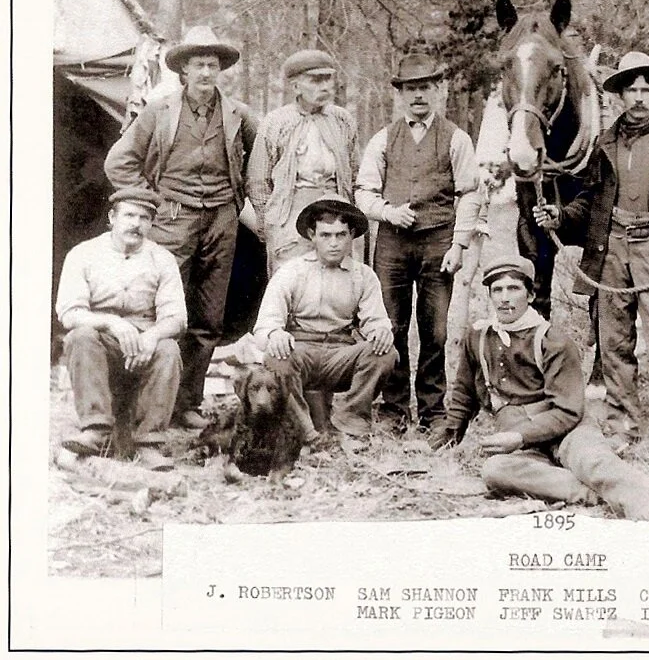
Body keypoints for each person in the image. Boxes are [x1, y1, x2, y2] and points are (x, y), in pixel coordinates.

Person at [534, 51, 649, 452]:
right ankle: (621, 427)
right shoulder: (605, 144)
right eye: (631, 89)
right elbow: (590, 201)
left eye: (647, 89)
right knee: (613, 343)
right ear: (619, 96)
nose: (639, 97)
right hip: (610, 249)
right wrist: (559, 216)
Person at [429, 256, 649, 519]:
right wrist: (446, 440)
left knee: (593, 460)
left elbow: (569, 411)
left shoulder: (552, 340)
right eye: (497, 290)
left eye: (514, 289)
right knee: (495, 471)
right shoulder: (478, 337)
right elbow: (464, 395)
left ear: (531, 295)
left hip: (567, 430)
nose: (505, 298)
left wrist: (521, 436)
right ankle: (587, 493)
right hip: (520, 442)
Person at [104, 26, 258, 430]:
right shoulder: (160, 111)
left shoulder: (238, 114)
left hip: (222, 218)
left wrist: (244, 201)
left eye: (213, 65)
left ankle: (188, 402)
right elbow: (118, 162)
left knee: (209, 315)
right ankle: (152, 405)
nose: (206, 73)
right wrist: (147, 200)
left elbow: (261, 161)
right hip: (172, 216)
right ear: (183, 72)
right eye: (198, 65)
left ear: (221, 70)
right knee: (168, 310)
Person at [355, 53, 480, 438]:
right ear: (400, 94)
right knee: (389, 325)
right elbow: (363, 191)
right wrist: (387, 213)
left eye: (425, 87)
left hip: (438, 241)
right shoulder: (383, 138)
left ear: (437, 91)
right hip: (392, 243)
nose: (418, 96)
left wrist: (459, 245)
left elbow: (471, 194)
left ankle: (431, 409)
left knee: (436, 330)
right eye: (411, 89)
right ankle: (393, 407)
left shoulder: (456, 138)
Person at [55, 188, 187, 471]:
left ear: (151, 224)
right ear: (112, 218)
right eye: (129, 215)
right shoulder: (84, 254)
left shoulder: (162, 259)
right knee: (80, 336)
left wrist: (151, 336)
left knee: (169, 348)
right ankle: (95, 429)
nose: (135, 224)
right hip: (102, 337)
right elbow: (69, 312)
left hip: (144, 343)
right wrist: (113, 323)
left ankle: (149, 443)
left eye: (144, 218)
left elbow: (176, 317)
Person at [252, 196, 398, 448]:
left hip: (340, 353)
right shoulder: (291, 271)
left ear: (351, 235)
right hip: (302, 350)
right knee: (275, 358)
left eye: (340, 235)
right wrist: (275, 333)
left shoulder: (363, 276)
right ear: (312, 235)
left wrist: (381, 331)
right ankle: (306, 432)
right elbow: (265, 324)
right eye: (326, 235)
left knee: (384, 353)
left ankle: (350, 425)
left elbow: (375, 320)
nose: (333, 243)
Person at [247, 49, 359, 275]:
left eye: (328, 79)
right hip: (290, 214)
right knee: (291, 279)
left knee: (337, 282)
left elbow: (355, 172)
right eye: (316, 80)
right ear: (296, 86)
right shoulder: (276, 122)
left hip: (335, 211)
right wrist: (270, 226)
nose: (325, 87)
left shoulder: (342, 120)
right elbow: (258, 181)